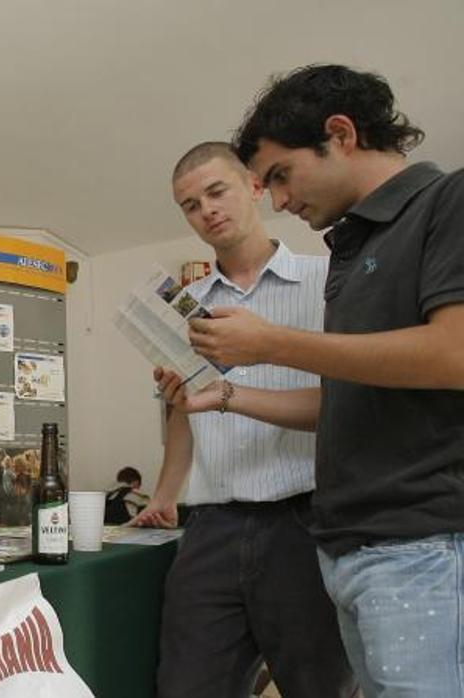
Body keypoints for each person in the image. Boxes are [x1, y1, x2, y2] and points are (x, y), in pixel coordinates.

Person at [186, 64, 464, 696]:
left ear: (340, 134)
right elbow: (343, 399)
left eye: (281, 175)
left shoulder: (449, 202)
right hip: (348, 546)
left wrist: (272, 342)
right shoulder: (352, 248)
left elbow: (455, 352)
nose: (279, 200)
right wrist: (227, 394)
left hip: (419, 544)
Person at [129, 142, 353, 697]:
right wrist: (164, 493)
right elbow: (184, 411)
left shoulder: (328, 283)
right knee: (186, 688)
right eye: (188, 204)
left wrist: (229, 392)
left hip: (306, 523)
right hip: (211, 528)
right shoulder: (185, 306)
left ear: (255, 187)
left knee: (319, 686)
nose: (205, 209)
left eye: (216, 191)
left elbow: (346, 406)